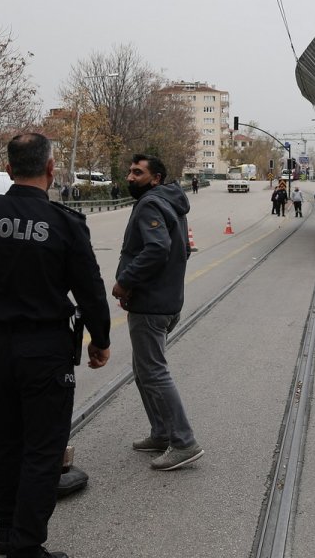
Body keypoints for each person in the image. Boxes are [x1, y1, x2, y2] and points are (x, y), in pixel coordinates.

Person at [0, 133, 111, 558]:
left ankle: (7, 531)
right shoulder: (64, 223)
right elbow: (91, 289)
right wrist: (101, 339)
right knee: (42, 449)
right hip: (45, 351)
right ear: (51, 169)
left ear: (8, 170)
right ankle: (25, 546)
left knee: (4, 443)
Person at [111, 153, 203, 472]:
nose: (130, 176)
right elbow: (182, 250)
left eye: (138, 172)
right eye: (130, 170)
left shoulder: (151, 203)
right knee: (144, 369)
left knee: (153, 370)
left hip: (151, 305)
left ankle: (183, 441)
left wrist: (125, 281)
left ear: (156, 178)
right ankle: (162, 432)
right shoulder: (171, 203)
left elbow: (157, 248)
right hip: (165, 301)